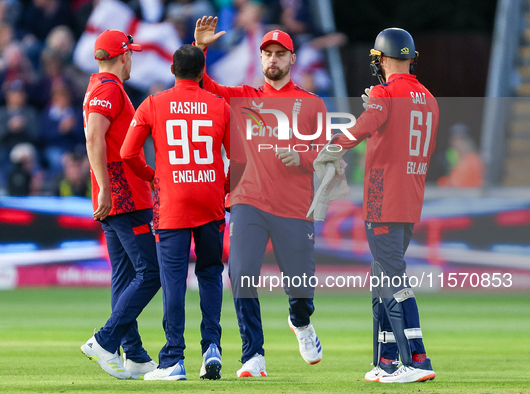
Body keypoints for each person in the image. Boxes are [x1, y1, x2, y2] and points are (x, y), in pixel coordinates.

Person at [194, 16, 326, 377]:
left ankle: (300, 321)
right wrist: (201, 48)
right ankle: (253, 355)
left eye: (280, 53)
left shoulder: (312, 104)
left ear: (291, 59)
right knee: (242, 274)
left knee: (300, 289)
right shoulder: (244, 98)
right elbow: (203, 84)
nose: (272, 59)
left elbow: (328, 156)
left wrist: (301, 157)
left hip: (295, 207)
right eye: (267, 53)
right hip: (247, 201)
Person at [314, 28, 437, 383]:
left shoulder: (384, 93)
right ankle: (385, 361)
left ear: (381, 59)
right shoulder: (429, 98)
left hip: (383, 201)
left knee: (392, 280)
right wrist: (379, 105)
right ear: (411, 59)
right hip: (410, 201)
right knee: (382, 279)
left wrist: (328, 147)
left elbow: (362, 129)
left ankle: (416, 361)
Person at [120, 45, 230, 381]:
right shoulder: (220, 106)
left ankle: (173, 359)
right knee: (210, 274)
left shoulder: (153, 104)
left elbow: (127, 152)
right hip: (209, 201)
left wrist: (152, 176)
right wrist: (222, 187)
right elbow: (239, 159)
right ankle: (212, 347)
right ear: (201, 73)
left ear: (172, 70)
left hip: (172, 203)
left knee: (173, 281)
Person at [79, 29, 161, 380]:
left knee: (125, 275)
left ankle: (137, 355)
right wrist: (107, 189)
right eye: (132, 54)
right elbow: (94, 136)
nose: (133, 60)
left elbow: (98, 135)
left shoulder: (96, 86)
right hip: (124, 195)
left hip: (116, 194)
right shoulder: (110, 89)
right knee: (151, 273)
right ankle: (104, 340)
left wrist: (102, 188)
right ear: (123, 55)